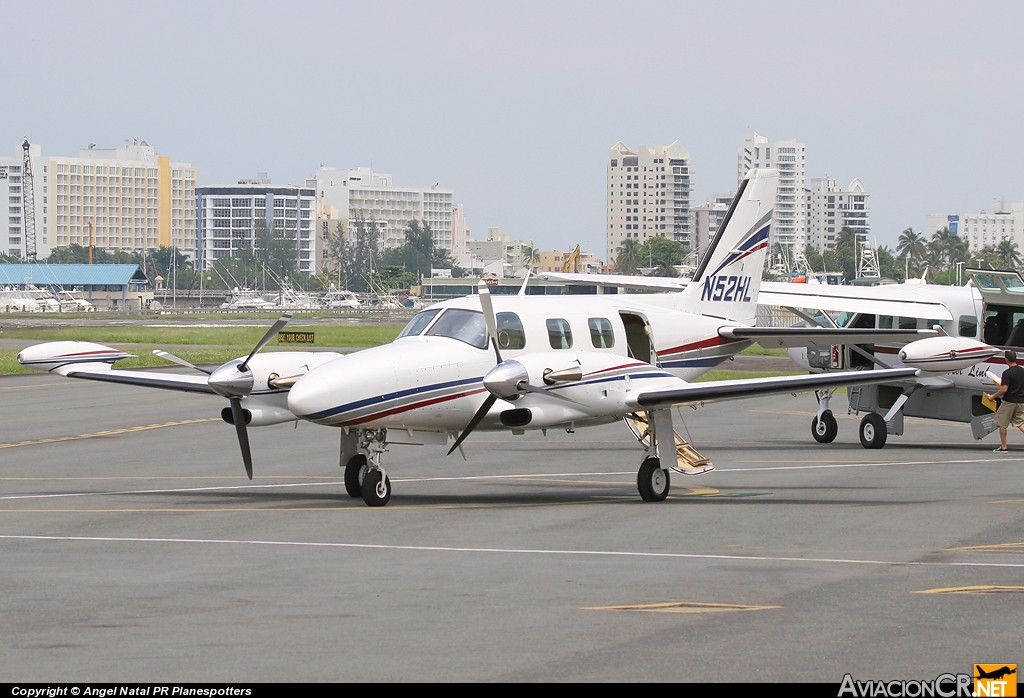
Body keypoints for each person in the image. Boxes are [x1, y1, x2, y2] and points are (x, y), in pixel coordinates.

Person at [987, 349, 1024, 452]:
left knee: (1002, 424)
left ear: (1006, 360)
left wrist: (993, 396)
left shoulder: (1007, 373)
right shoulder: (1022, 371)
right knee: (1020, 423)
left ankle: (1004, 447)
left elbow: (1004, 389)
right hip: (1021, 401)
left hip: (1009, 401)